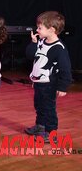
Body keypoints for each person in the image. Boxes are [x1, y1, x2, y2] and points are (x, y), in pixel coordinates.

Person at [24, 11, 72, 143]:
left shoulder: (59, 48)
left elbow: (65, 69)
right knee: (39, 105)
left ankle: (51, 133)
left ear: (51, 30)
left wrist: (63, 87)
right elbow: (30, 56)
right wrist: (34, 43)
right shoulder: (41, 41)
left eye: (40, 28)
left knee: (48, 108)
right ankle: (40, 127)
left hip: (50, 84)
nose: (37, 30)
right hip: (39, 82)